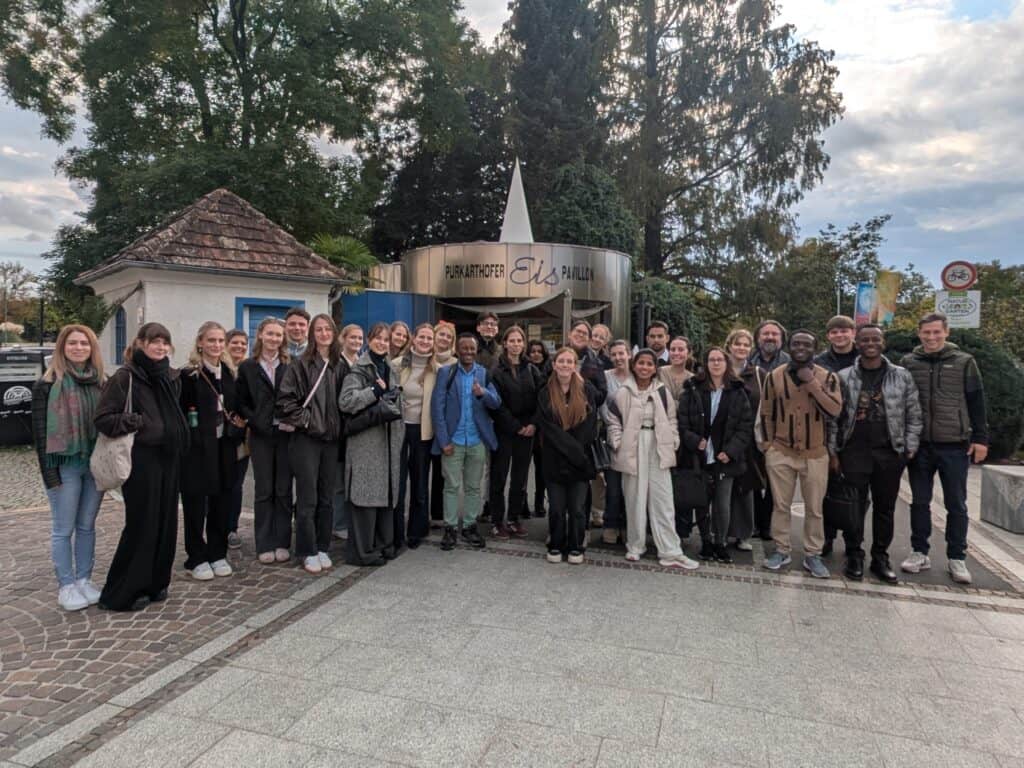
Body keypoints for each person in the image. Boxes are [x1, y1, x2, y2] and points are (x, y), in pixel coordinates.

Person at [95, 322, 189, 611]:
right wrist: (136, 422)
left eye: (164, 342)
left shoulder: (170, 376)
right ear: (140, 343)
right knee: (142, 524)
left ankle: (155, 582)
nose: (159, 347)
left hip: (169, 457)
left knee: (165, 522)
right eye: (154, 342)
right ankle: (122, 592)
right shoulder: (126, 377)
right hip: (142, 459)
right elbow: (104, 418)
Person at [901, 311, 988, 585]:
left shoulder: (964, 362)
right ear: (919, 333)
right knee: (919, 501)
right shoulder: (908, 362)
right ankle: (919, 552)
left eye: (936, 332)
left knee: (956, 504)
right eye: (926, 332)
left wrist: (981, 439)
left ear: (946, 332)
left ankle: (957, 557)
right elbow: (902, 403)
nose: (931, 337)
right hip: (920, 446)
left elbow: (976, 401)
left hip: (954, 444)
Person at [829, 325, 922, 583]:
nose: (870, 343)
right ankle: (854, 554)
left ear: (883, 342)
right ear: (857, 343)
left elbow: (914, 412)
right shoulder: (844, 376)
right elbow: (833, 417)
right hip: (853, 452)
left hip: (889, 453)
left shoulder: (901, 376)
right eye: (865, 339)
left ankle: (880, 557)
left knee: (885, 508)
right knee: (854, 508)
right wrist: (833, 451)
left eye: (875, 339)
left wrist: (910, 446)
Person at [32, 324, 106, 611]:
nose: (78, 348)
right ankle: (66, 585)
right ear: (62, 347)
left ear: (92, 348)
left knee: (87, 526)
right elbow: (40, 436)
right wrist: (49, 475)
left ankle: (85, 579)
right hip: (64, 466)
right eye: (73, 343)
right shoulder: (47, 385)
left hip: (94, 464)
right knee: (63, 529)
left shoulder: (101, 381)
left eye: (84, 344)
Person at [759, 330, 843, 578]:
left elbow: (835, 409)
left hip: (815, 453)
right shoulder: (774, 376)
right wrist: (768, 446)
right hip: (781, 451)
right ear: (789, 346)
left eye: (806, 344)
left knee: (814, 508)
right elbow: (766, 412)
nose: (800, 348)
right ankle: (781, 549)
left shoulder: (827, 377)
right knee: (781, 505)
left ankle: (812, 553)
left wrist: (811, 383)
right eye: (796, 343)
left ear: (815, 348)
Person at [606, 349, 698, 569]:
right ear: (634, 365)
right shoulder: (623, 391)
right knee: (634, 497)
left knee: (663, 499)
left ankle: (669, 549)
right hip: (632, 446)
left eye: (649, 364)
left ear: (654, 368)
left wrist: (673, 440)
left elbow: (672, 419)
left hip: (658, 445)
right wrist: (617, 442)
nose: (645, 367)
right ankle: (635, 545)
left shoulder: (662, 391)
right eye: (641, 363)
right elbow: (613, 420)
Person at [179, 322, 245, 581]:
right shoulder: (188, 375)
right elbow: (182, 412)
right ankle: (196, 556)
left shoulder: (230, 373)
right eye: (211, 340)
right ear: (200, 343)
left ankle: (218, 553)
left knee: (222, 501)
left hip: (225, 447)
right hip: (197, 451)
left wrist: (238, 425)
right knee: (196, 504)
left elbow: (238, 408)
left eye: (220, 341)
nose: (216, 345)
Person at [277, 314, 342, 574]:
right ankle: (306, 549)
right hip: (306, 439)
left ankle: (323, 546)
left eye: (328, 329)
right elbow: (285, 402)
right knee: (308, 498)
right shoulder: (301, 364)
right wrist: (309, 422)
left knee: (327, 496)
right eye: (319, 329)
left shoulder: (340, 364)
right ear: (312, 334)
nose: (324, 333)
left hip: (331, 440)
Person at [677, 347, 753, 563]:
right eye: (712, 360)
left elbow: (744, 426)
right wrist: (693, 440)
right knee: (701, 501)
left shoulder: (738, 391)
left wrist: (731, 451)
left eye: (720, 360)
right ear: (706, 363)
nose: (716, 363)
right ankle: (706, 542)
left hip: (724, 457)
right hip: (699, 457)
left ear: (726, 364)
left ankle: (720, 542)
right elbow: (682, 422)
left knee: (722, 503)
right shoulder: (693, 389)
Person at [340, 322, 404, 565]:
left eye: (386, 340)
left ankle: (382, 545)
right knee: (365, 497)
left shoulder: (389, 367)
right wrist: (374, 393)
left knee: (384, 497)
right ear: (369, 339)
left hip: (386, 442)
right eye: (377, 338)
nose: (382, 343)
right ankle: (362, 552)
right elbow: (346, 402)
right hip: (366, 442)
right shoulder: (359, 370)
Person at [431, 333, 501, 551]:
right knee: (451, 487)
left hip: (476, 441)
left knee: (473, 487)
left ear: (476, 350)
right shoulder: (446, 373)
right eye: (464, 349)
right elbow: (437, 409)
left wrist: (483, 394)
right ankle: (450, 527)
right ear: (457, 350)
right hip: (453, 441)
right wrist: (444, 440)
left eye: (472, 349)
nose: (469, 352)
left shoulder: (484, 373)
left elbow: (496, 402)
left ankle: (469, 526)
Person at [236, 317, 293, 565]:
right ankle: (264, 542)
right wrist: (254, 420)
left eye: (278, 335)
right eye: (270, 334)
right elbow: (241, 401)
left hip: (285, 434)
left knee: (283, 489)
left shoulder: (290, 365)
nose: (274, 339)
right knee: (263, 490)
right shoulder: (248, 366)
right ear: (260, 335)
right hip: (260, 435)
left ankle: (282, 541)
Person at [537, 347, 600, 564]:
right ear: (554, 365)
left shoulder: (586, 390)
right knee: (556, 508)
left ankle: (575, 546)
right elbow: (547, 427)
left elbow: (591, 425)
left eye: (569, 361)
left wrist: (575, 451)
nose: (565, 365)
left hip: (580, 461)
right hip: (554, 459)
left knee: (577, 509)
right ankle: (555, 544)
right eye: (561, 361)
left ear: (575, 366)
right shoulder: (545, 392)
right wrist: (569, 448)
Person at [488, 326, 543, 540]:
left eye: (519, 340)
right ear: (505, 343)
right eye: (512, 340)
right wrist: (515, 426)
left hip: (527, 431)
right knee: (499, 476)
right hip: (504, 430)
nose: (516, 344)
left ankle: (513, 519)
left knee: (520, 478)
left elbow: (541, 399)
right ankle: (496, 521)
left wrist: (533, 424)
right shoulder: (496, 370)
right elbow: (495, 404)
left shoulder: (531, 369)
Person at [392, 323, 438, 549]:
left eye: (430, 338)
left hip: (423, 431)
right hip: (399, 428)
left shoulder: (437, 369)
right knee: (398, 482)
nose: (425, 342)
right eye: (422, 337)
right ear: (414, 338)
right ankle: (395, 531)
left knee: (420, 483)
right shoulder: (397, 365)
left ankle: (417, 531)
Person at [724, 329, 762, 551]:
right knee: (722, 487)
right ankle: (721, 529)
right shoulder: (720, 369)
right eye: (737, 344)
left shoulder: (757, 373)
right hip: (723, 437)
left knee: (745, 487)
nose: (741, 348)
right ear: (729, 346)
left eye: (746, 345)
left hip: (748, 440)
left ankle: (743, 534)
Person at [332, 323, 364, 540]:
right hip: (340, 429)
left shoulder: (361, 363)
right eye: (353, 338)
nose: (356, 342)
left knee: (352, 480)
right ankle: (338, 523)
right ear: (343, 339)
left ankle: (348, 521)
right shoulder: (337, 364)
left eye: (360, 339)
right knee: (338, 482)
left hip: (357, 428)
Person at [600, 339, 632, 544]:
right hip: (611, 436)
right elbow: (602, 405)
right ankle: (611, 524)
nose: (619, 358)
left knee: (630, 486)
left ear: (629, 354)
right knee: (612, 485)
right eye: (615, 354)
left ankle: (628, 525)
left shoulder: (638, 376)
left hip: (635, 437)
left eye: (622, 353)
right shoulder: (605, 377)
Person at [429, 320, 457, 528]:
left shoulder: (455, 364)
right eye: (441, 335)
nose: (444, 339)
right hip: (420, 422)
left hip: (443, 424)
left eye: (449, 336)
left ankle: (439, 514)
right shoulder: (423, 359)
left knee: (442, 472)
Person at [224, 329, 249, 549]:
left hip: (241, 438)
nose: (239, 347)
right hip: (220, 437)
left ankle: (231, 528)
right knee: (217, 483)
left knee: (236, 485)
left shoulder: (248, 370)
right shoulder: (220, 369)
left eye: (243, 344)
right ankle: (216, 526)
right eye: (235, 343)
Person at [525, 339, 552, 518]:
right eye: (532, 351)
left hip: (545, 429)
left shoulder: (550, 371)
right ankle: (521, 503)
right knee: (523, 468)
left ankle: (539, 502)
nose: (536, 354)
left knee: (542, 468)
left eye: (539, 351)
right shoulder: (524, 369)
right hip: (528, 425)